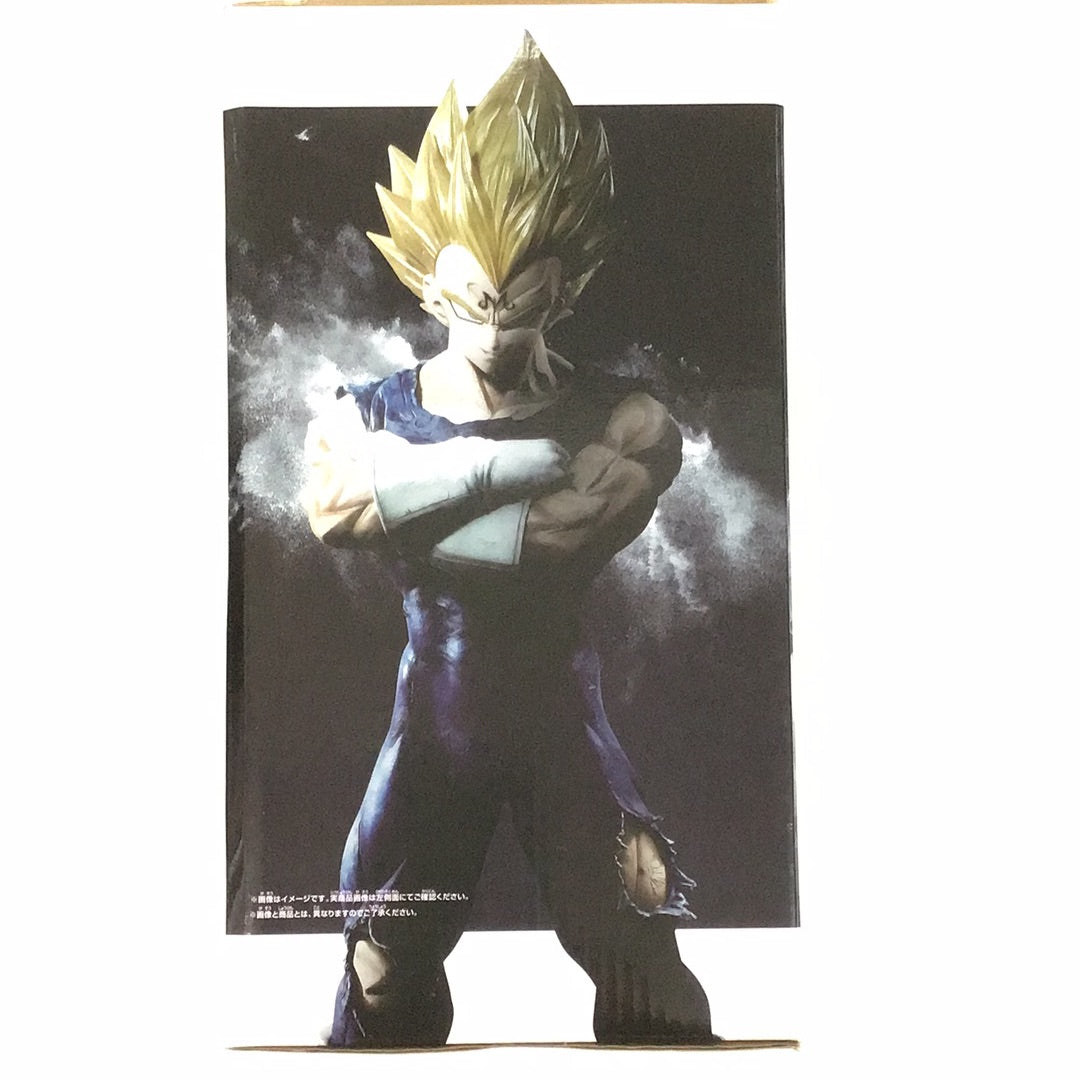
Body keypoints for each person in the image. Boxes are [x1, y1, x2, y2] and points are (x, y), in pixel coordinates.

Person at [302, 35, 715, 1047]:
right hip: (435, 720)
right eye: (473, 300)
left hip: (559, 721)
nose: (492, 326)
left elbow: (557, 537)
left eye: (518, 300)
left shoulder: (630, 418)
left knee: (646, 976)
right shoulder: (365, 411)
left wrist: (405, 495)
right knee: (384, 972)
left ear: (564, 288)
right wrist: (489, 469)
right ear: (430, 284)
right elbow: (332, 509)